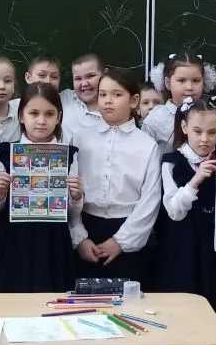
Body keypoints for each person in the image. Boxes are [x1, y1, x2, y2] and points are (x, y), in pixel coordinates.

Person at [69, 67, 162, 282]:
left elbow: (150, 200)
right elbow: (70, 189)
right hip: (86, 227)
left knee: (126, 298)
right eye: (102, 94)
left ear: (134, 100)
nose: (108, 101)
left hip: (129, 231)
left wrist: (120, 242)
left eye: (117, 94)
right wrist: (79, 238)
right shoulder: (80, 139)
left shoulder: (147, 145)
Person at [0, 83, 83, 291]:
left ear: (59, 117)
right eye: (34, 113)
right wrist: (0, 194)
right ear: (21, 116)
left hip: (53, 241)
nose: (41, 121)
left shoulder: (68, 155)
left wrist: (76, 197)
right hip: (15, 241)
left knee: (53, 298)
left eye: (49, 114)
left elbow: (71, 213)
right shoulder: (5, 152)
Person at [156, 97, 216, 309]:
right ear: (184, 127)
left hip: (213, 253)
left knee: (213, 308)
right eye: (197, 131)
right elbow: (174, 211)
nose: (204, 139)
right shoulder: (171, 163)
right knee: (181, 309)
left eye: (212, 132)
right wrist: (195, 180)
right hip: (180, 250)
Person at [142, 53, 210, 154]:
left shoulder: (212, 116)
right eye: (181, 80)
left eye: (196, 80)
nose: (189, 87)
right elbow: (143, 154)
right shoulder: (155, 119)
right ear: (168, 83)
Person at [63, 52, 105, 133]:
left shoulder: (118, 108)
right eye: (78, 79)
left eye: (90, 76)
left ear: (105, 74)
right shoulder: (65, 98)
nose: (84, 84)